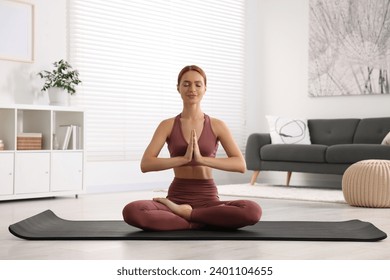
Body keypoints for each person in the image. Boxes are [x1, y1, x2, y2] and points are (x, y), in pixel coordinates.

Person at [122, 65, 262, 231]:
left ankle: (187, 216)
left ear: (205, 88)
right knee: (132, 211)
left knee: (252, 210)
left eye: (198, 84)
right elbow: (146, 164)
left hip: (208, 199)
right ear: (178, 88)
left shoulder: (217, 125)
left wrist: (201, 159)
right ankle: (204, 220)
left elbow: (240, 165)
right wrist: (183, 159)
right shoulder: (167, 125)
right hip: (176, 197)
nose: (192, 89)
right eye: (186, 84)